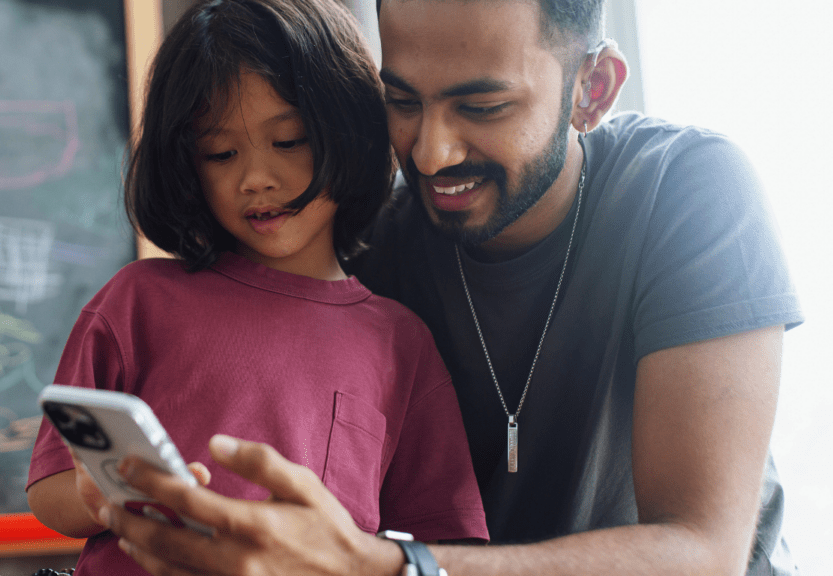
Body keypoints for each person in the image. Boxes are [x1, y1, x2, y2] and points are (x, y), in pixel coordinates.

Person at [86, 1, 805, 575]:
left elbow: (702, 552)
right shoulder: (366, 257)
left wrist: (390, 567)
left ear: (592, 90)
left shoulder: (686, 191)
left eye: (483, 107)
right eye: (402, 101)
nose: (431, 153)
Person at [26, 0, 488, 574]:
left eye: (289, 140)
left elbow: (446, 545)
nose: (256, 178)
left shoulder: (401, 343)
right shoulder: (138, 302)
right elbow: (47, 489)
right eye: (220, 153)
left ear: (348, 131)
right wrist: (102, 498)